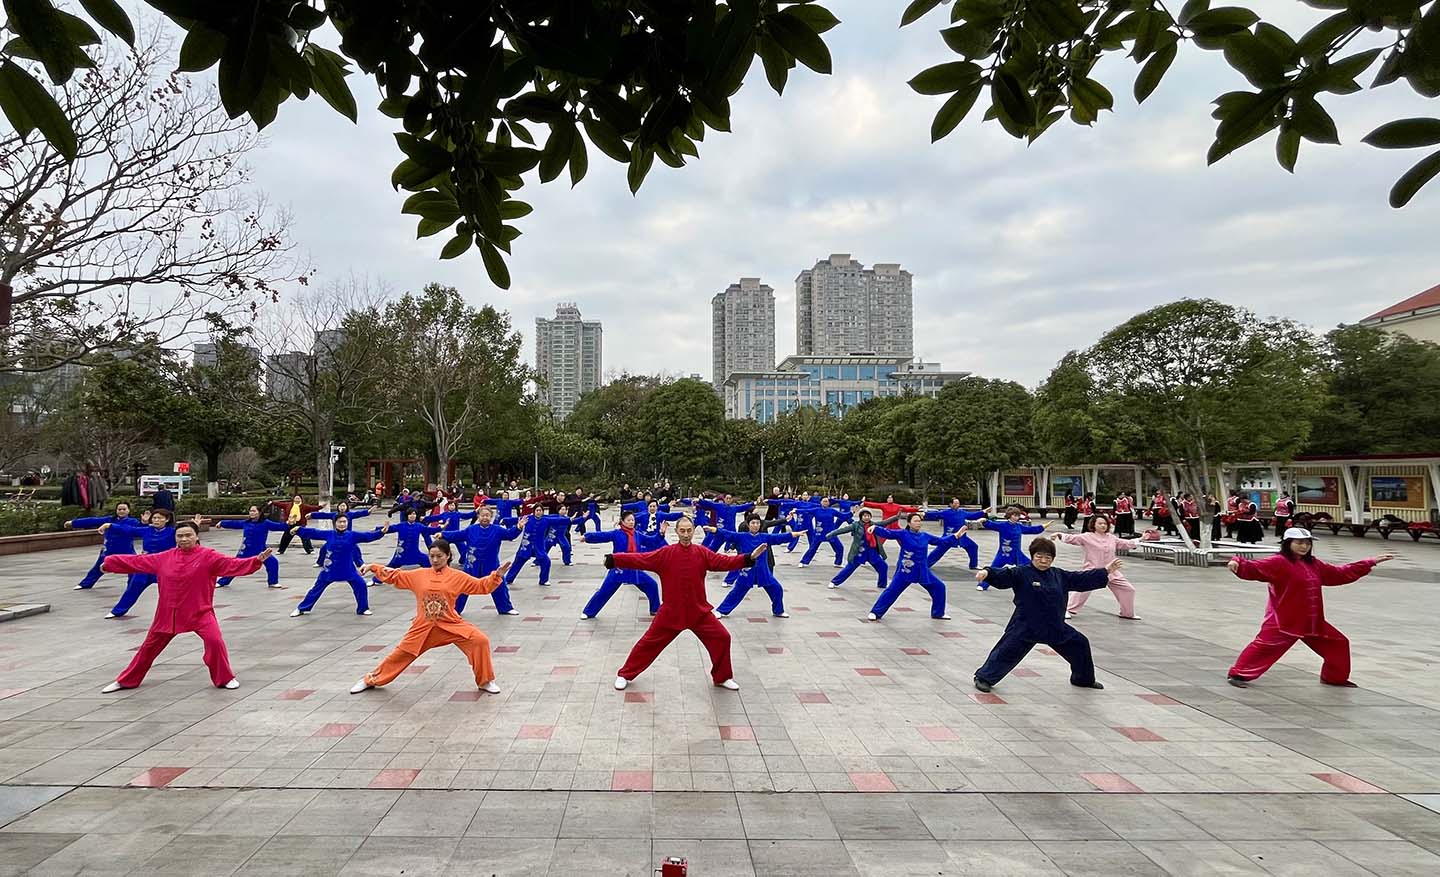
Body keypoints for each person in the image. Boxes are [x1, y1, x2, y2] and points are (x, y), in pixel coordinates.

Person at [98, 520, 269, 692]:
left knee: (215, 642)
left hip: (200, 612)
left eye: (188, 535)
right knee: (148, 649)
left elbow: (231, 565)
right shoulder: (164, 557)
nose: (184, 539)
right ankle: (126, 680)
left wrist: (255, 561)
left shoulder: (209, 556)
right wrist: (110, 563)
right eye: (180, 536)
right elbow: (138, 562)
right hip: (167, 614)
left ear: (196, 537)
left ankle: (225, 678)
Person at [607, 517, 766, 692]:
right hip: (671, 612)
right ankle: (624, 674)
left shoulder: (701, 552)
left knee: (722, 638)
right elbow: (640, 559)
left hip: (699, 611)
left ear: (693, 531)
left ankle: (722, 677)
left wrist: (748, 558)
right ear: (676, 532)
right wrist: (615, 559)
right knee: (648, 644)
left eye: (689, 530)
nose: (686, 534)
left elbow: (723, 562)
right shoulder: (665, 553)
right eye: (682, 531)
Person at [1225, 529, 1392, 688]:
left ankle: (1334, 678)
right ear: (1288, 543)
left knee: (1338, 644)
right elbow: (1254, 567)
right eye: (1299, 543)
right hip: (1284, 620)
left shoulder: (1314, 564)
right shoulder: (1278, 562)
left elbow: (1339, 573)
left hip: (1312, 621)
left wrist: (1369, 562)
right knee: (1263, 647)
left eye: (1307, 543)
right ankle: (1237, 674)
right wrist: (1237, 562)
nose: (1304, 546)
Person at [353, 542, 513, 695]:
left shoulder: (458, 576)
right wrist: (373, 567)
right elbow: (395, 575)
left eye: (439, 556)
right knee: (400, 655)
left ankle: (485, 681)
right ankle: (370, 680)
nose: (435, 560)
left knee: (480, 640)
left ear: (448, 555)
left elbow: (480, 586)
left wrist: (496, 576)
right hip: (423, 627)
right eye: (432, 556)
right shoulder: (419, 575)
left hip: (450, 624)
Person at [972, 537, 1120, 693]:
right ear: (1032, 556)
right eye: (1039, 556)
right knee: (1006, 652)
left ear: (1052, 559)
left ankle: (1083, 679)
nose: (1043, 560)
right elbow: (1003, 574)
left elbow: (1080, 578)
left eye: (1048, 557)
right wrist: (986, 572)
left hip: (1055, 626)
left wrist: (1105, 571)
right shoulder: (1022, 572)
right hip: (1026, 625)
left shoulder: (1059, 575)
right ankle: (983, 678)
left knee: (1080, 644)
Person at [1054, 515, 1159, 620]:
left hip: (1112, 571)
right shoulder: (1086, 536)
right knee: (1082, 590)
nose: (1103, 525)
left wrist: (1141, 538)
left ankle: (1127, 613)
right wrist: (1059, 534)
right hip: (1093, 570)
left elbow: (1125, 543)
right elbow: (1072, 538)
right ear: (1093, 525)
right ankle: (1066, 610)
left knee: (1128, 589)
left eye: (1105, 523)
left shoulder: (1111, 537)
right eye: (1100, 523)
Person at [866, 513, 965, 621]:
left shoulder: (925, 536)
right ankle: (875, 612)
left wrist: (955, 536)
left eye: (919, 521)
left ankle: (938, 613)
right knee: (892, 591)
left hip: (923, 571)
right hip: (906, 570)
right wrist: (875, 528)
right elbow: (889, 533)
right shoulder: (903, 534)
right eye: (915, 521)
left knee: (939, 587)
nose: (918, 523)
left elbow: (940, 541)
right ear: (909, 523)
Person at [287, 516, 390, 617]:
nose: (342, 524)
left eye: (344, 522)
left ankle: (363, 608)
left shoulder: (353, 535)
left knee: (361, 585)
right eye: (339, 522)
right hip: (330, 569)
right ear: (335, 523)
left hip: (348, 569)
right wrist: (299, 529)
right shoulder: (329, 534)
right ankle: (301, 608)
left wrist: (381, 532)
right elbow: (314, 532)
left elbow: (367, 536)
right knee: (316, 590)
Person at [580, 511, 668, 618]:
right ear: (622, 521)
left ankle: (655, 609)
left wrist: (661, 533)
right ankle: (588, 612)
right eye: (628, 520)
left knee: (652, 585)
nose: (631, 522)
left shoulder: (637, 535)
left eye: (633, 520)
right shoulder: (617, 533)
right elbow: (603, 536)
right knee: (604, 591)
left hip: (634, 568)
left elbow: (651, 541)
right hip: (619, 568)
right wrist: (587, 537)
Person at [102, 508, 187, 618]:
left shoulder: (172, 532)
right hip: (145, 567)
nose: (156, 520)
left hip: (164, 567)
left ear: (167, 519)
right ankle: (117, 611)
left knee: (170, 591)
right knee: (134, 587)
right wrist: (110, 525)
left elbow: (186, 536)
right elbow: (129, 530)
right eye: (154, 518)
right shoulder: (147, 530)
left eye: (159, 518)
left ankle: (176, 613)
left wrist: (195, 526)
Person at [706, 514, 796, 618]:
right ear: (748, 525)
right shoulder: (742, 536)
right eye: (753, 523)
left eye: (757, 523)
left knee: (777, 589)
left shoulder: (765, 537)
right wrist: (714, 530)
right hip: (747, 571)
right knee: (736, 592)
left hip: (763, 572)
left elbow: (779, 538)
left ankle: (778, 611)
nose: (755, 525)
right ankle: (721, 610)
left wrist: (793, 534)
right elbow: (728, 534)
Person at [441, 506, 522, 614]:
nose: (485, 518)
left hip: (491, 565)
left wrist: (518, 527)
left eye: (487, 515)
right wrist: (442, 534)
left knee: (499, 585)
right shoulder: (471, 529)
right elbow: (457, 535)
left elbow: (510, 534)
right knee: (463, 586)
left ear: (491, 517)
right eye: (482, 515)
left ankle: (506, 608)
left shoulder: (497, 530)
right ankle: (455, 609)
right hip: (472, 566)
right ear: (478, 516)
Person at [968, 505, 1046, 590]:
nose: (1016, 517)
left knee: (1031, 566)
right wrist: (984, 521)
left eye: (1018, 515)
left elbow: (1031, 529)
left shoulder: (1019, 526)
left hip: (1017, 554)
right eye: (1014, 515)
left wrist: (1043, 526)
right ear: (1009, 515)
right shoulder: (1003, 525)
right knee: (993, 569)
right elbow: (992, 524)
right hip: (1004, 553)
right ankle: (983, 585)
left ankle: (1038, 582)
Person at [66, 502, 140, 590]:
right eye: (119, 509)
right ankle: (85, 584)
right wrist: (73, 523)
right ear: (116, 510)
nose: (121, 511)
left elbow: (142, 529)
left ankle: (132, 586)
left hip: (126, 550)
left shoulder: (133, 522)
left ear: (128, 510)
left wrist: (145, 522)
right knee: (98, 567)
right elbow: (92, 520)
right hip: (109, 549)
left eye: (124, 509)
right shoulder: (109, 519)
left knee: (133, 568)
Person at [216, 505, 289, 588]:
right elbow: (234, 523)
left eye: (254, 511)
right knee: (236, 566)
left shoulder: (266, 523)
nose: (251, 513)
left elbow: (278, 526)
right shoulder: (246, 523)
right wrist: (222, 523)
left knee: (273, 562)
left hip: (261, 550)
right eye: (250, 511)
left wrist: (288, 523)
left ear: (259, 512)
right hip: (246, 551)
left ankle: (273, 582)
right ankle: (222, 582)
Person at [827, 509, 900, 589]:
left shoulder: (873, 525)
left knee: (883, 566)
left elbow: (884, 522)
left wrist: (896, 517)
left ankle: (882, 584)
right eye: (864, 516)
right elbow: (843, 530)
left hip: (872, 551)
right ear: (861, 517)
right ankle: (834, 582)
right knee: (850, 568)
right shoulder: (855, 525)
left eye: (868, 516)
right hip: (860, 551)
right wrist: (831, 534)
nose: (866, 518)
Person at [502, 510, 574, 588]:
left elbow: (557, 520)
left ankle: (544, 580)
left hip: (539, 547)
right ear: (534, 511)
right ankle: (508, 579)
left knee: (546, 561)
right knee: (518, 562)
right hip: (526, 546)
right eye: (537, 510)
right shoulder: (528, 518)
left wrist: (569, 519)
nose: (538, 512)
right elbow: (516, 519)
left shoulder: (545, 520)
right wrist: (505, 520)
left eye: (540, 511)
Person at [375, 507, 436, 584]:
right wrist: (379, 529)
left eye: (414, 514)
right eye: (410, 514)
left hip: (415, 553)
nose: (412, 516)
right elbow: (390, 528)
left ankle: (432, 577)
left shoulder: (419, 526)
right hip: (402, 554)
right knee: (390, 567)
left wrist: (440, 528)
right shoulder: (402, 525)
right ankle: (376, 579)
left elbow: (429, 530)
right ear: (407, 515)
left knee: (427, 561)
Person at [923, 498, 988, 569]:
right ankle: (926, 565)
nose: (958, 504)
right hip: (950, 536)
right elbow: (935, 514)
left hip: (962, 537)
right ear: (951, 504)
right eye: (956, 503)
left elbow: (972, 516)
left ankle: (973, 565)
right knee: (938, 551)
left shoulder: (962, 512)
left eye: (958, 503)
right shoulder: (946, 512)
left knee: (973, 546)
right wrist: (924, 514)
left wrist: (983, 512)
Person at [795, 496, 845, 567]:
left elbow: (843, 515)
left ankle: (838, 563)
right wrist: (795, 511)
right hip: (819, 533)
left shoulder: (832, 510)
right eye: (824, 501)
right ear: (820, 502)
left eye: (827, 501)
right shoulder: (816, 510)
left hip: (831, 533)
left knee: (840, 547)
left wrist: (852, 512)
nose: (826, 503)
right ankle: (803, 562)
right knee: (812, 548)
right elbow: (806, 511)